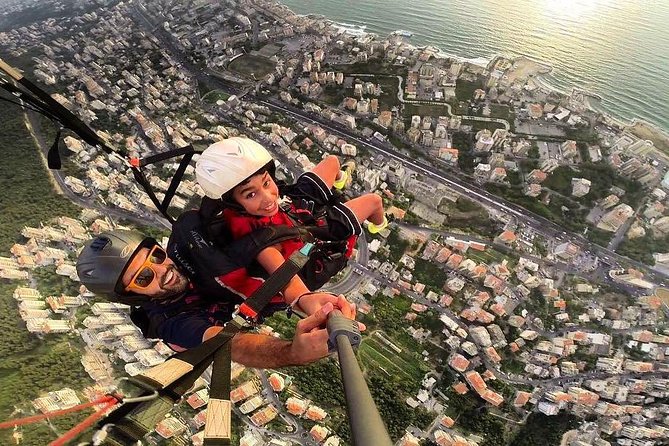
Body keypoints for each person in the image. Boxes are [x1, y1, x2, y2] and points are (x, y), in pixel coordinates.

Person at [76, 230, 360, 366]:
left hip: (274, 278)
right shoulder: (172, 322)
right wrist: (293, 351)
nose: (163, 271)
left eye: (157, 256)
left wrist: (305, 299)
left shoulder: (188, 249)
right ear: (130, 296)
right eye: (143, 277)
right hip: (254, 300)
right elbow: (233, 345)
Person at [194, 137, 388, 314]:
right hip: (316, 239)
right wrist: (307, 301)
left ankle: (337, 183)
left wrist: (271, 201)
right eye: (250, 194)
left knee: (332, 162)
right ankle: (377, 225)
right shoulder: (262, 243)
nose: (268, 197)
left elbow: (269, 199)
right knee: (374, 201)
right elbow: (288, 282)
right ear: (234, 203)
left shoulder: (244, 208)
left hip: (291, 211)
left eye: (266, 182)